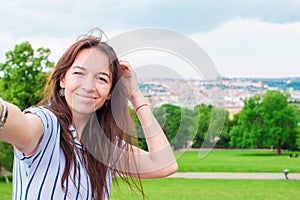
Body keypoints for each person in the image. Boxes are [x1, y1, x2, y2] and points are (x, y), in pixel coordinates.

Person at [0, 30, 178, 199]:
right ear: (63, 79)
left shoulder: (105, 146)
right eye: (79, 73)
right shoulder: (47, 124)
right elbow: (19, 122)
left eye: (101, 78)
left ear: (110, 93)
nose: (88, 86)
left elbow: (164, 164)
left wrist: (135, 94)